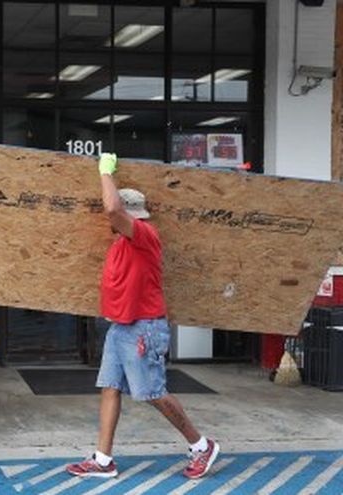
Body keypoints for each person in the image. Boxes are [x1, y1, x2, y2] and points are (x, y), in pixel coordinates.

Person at [66, 153, 220, 480]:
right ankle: (103, 460)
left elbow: (112, 209)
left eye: (119, 215)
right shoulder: (120, 243)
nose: (111, 219)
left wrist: (105, 172)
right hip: (121, 328)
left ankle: (201, 445)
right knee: (110, 387)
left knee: (153, 393)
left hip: (144, 329)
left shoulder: (144, 236)